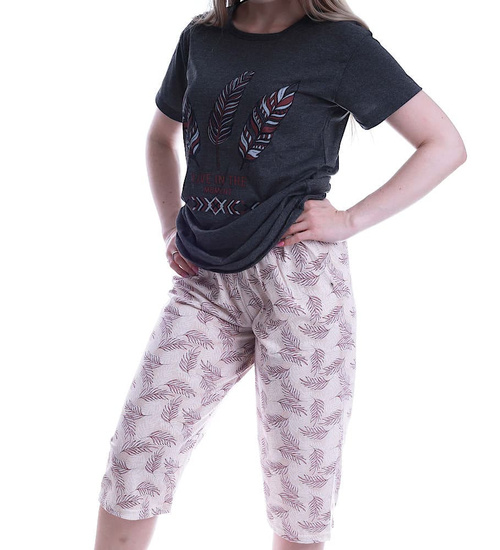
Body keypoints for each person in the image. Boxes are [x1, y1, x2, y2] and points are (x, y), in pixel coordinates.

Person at [93, 0, 467, 548]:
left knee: (301, 493)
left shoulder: (339, 44)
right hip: (205, 280)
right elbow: (159, 139)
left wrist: (350, 219)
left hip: (300, 286)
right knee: (138, 453)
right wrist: (170, 225)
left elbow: (444, 144)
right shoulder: (202, 38)